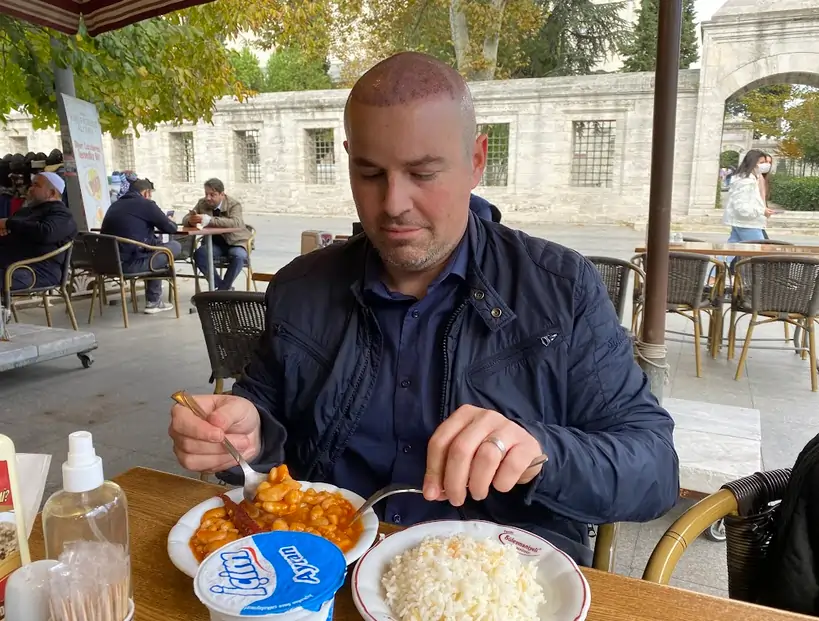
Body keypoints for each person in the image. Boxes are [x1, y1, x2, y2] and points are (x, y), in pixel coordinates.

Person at [169, 52, 679, 565]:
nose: (393, 203)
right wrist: (243, 435)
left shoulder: (560, 290)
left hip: (498, 586)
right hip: (321, 570)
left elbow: (655, 470)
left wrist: (540, 453)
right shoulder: (300, 287)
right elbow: (264, 413)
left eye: (423, 173)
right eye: (370, 173)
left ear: (476, 160)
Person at [100, 178, 180, 314]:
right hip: (128, 264)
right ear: (146, 193)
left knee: (156, 247)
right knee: (172, 248)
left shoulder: (115, 205)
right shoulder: (146, 205)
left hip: (105, 263)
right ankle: (153, 301)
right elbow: (171, 228)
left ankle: (154, 297)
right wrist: (171, 221)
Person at [0, 172, 77, 293]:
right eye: (31, 184)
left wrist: (9, 224)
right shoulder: (26, 211)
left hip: (37, 271)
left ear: (52, 193)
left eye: (36, 185)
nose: (30, 189)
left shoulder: (62, 214)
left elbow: (46, 233)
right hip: (11, 265)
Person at [183, 179, 251, 290]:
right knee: (200, 254)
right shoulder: (202, 203)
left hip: (235, 242)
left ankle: (222, 290)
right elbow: (185, 219)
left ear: (222, 194)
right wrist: (192, 220)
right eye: (206, 194)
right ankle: (223, 288)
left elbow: (236, 222)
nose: (208, 198)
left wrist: (209, 220)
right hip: (214, 244)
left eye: (212, 195)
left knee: (239, 256)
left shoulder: (233, 204)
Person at [723, 149, 774, 243]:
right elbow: (742, 207)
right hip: (748, 224)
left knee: (732, 251)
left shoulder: (753, 179)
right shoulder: (745, 182)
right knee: (759, 251)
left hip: (745, 222)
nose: (766, 165)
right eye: (762, 162)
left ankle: (718, 258)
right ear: (753, 163)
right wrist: (762, 211)